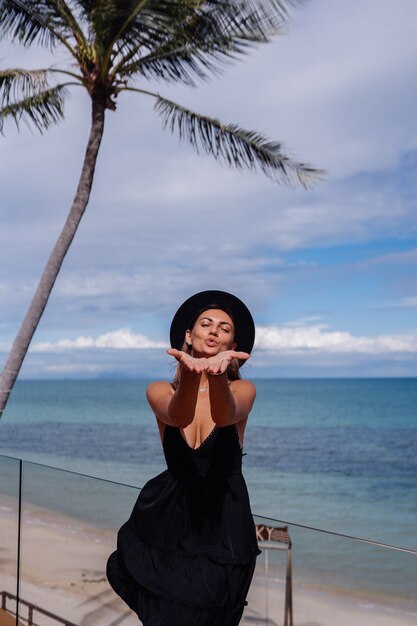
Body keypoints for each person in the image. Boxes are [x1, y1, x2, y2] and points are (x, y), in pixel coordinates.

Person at [107, 290, 260, 625]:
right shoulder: (159, 390)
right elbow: (178, 416)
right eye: (206, 323)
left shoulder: (242, 391)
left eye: (224, 327)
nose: (214, 330)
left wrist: (216, 376)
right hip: (170, 520)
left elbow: (225, 415)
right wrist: (190, 376)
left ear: (233, 343)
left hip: (222, 526)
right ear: (188, 336)